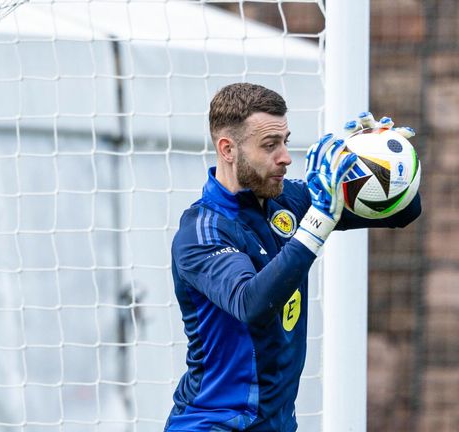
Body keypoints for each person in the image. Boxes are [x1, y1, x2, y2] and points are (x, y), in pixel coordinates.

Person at [164, 83, 421, 432]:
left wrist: (386, 160)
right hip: (214, 424)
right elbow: (250, 303)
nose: (285, 156)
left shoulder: (289, 201)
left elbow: (401, 213)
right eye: (270, 145)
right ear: (228, 149)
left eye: (285, 140)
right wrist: (316, 224)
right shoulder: (202, 231)